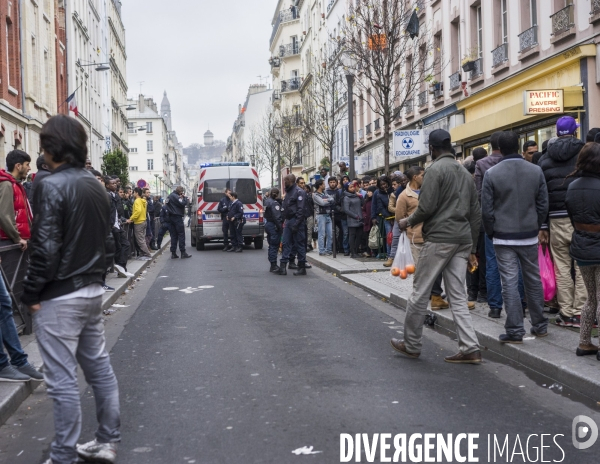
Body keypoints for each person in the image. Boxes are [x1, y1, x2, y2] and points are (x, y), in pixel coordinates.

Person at [22, 114, 120, 464]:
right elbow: (108, 240)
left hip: (60, 294)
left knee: (62, 378)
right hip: (92, 288)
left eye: (43, 144)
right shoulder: (94, 183)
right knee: (98, 367)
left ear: (52, 146)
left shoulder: (49, 184)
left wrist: (30, 292)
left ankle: (64, 454)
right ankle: (107, 441)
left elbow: (45, 246)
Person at [392, 129, 482, 364]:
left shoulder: (434, 170)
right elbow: (475, 213)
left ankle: (411, 344)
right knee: (458, 296)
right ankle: (470, 347)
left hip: (440, 238)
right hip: (462, 239)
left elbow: (427, 207)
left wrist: (407, 221)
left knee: (420, 292)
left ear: (431, 148)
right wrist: (471, 247)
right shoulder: (464, 172)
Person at [482, 131, 549, 343]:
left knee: (509, 282)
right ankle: (539, 325)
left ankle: (515, 329)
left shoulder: (491, 174)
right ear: (519, 146)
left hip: (503, 236)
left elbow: (487, 210)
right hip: (529, 234)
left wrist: (492, 231)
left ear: (499, 148)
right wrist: (535, 224)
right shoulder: (536, 170)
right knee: (533, 279)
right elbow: (543, 204)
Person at [538, 116, 586, 327]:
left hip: (555, 219)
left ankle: (566, 312)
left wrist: (543, 225)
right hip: (581, 217)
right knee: (582, 265)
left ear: (556, 133)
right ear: (575, 132)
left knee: (562, 266)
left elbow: (541, 195)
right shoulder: (584, 153)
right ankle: (581, 312)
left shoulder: (545, 159)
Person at [395, 166, 451, 310]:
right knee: (420, 270)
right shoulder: (404, 196)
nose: (424, 177)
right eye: (422, 175)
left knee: (434, 268)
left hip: (433, 235)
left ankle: (434, 294)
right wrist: (410, 228)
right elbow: (400, 218)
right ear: (415, 177)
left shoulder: (429, 190)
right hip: (416, 237)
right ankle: (420, 296)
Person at [565, 142, 600, 359]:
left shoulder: (572, 186)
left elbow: (572, 217)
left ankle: (584, 342)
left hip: (581, 246)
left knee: (591, 298)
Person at [0, 150, 32, 252]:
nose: (29, 168)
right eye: (27, 164)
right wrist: (17, 238)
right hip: (9, 242)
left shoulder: (15, 184)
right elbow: (4, 215)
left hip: (15, 241)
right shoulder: (7, 184)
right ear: (18, 166)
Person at [278, 174, 308, 276]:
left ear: (290, 181)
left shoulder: (299, 192)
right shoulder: (289, 192)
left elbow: (301, 209)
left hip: (296, 221)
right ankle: (283, 266)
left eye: (285, 181)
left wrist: (296, 223)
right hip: (289, 220)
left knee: (299, 244)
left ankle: (302, 267)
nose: (284, 183)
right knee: (286, 243)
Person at [105, 177, 130, 277]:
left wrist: (121, 220)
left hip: (118, 224)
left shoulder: (115, 195)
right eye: (113, 184)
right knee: (118, 247)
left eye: (116, 183)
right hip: (112, 225)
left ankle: (121, 267)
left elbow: (118, 211)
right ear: (107, 185)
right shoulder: (107, 195)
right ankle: (120, 268)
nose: (115, 185)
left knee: (125, 244)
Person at [387, 174, 408, 267]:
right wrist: (400, 210)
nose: (404, 182)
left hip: (411, 218)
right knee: (395, 238)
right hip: (398, 218)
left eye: (405, 180)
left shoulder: (413, 191)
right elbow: (390, 207)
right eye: (402, 181)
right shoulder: (395, 194)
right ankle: (391, 258)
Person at [371, 176, 393, 261]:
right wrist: (389, 217)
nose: (383, 186)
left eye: (385, 184)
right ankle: (389, 254)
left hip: (396, 216)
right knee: (388, 236)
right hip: (386, 217)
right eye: (381, 185)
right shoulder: (378, 193)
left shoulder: (393, 191)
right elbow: (377, 206)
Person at [165, 186, 192, 259]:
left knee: (173, 235)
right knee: (181, 234)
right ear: (181, 192)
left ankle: (173, 253)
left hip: (170, 217)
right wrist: (185, 198)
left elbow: (167, 204)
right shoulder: (176, 197)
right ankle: (183, 252)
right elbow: (183, 203)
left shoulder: (170, 196)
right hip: (177, 217)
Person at [126, 187, 152, 260]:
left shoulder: (137, 201)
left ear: (136, 193)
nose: (133, 194)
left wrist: (131, 219)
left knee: (140, 240)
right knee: (142, 239)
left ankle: (147, 254)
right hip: (144, 221)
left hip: (139, 222)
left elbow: (138, 211)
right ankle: (143, 254)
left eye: (134, 192)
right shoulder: (143, 201)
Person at [342, 181, 363, 258]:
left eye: (353, 186)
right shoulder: (346, 198)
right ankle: (353, 252)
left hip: (360, 219)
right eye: (350, 187)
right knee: (352, 236)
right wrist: (355, 216)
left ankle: (356, 250)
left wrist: (360, 196)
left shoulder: (356, 195)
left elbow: (362, 204)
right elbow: (346, 210)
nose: (353, 188)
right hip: (352, 220)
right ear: (347, 189)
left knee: (359, 235)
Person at [313, 179, 335, 256]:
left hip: (328, 214)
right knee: (322, 234)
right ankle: (322, 251)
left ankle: (328, 250)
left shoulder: (325, 192)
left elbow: (332, 199)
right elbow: (322, 203)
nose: (325, 185)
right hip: (321, 215)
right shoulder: (315, 195)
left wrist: (326, 200)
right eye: (323, 184)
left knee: (330, 234)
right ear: (320, 185)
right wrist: (327, 200)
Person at [264, 188, 283, 271]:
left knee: (271, 244)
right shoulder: (274, 203)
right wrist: (280, 227)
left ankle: (272, 263)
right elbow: (277, 217)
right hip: (273, 225)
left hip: (268, 224)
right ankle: (273, 265)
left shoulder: (267, 201)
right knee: (274, 245)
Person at [361, 186, 376, 256]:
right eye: (367, 192)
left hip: (373, 221)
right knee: (367, 237)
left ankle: (374, 251)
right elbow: (363, 210)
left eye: (370, 191)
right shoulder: (367, 201)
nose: (368, 193)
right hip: (367, 221)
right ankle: (368, 251)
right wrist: (365, 216)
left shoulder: (375, 201)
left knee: (374, 236)